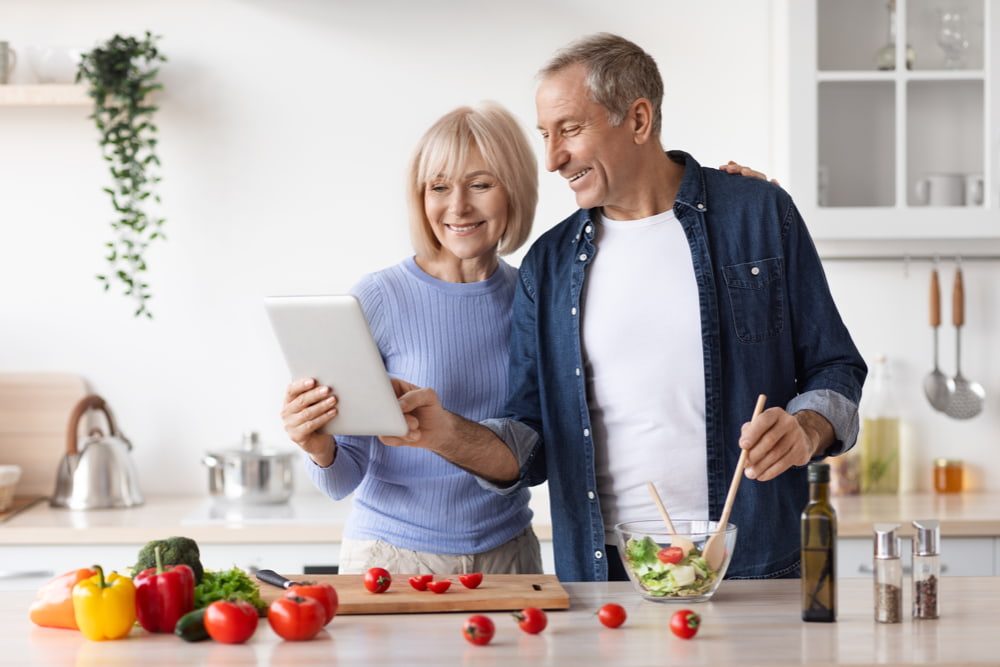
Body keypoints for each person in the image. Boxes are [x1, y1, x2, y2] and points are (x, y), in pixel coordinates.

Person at [381, 33, 867, 582]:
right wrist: (443, 432)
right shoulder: (549, 265)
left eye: (569, 129)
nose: (552, 158)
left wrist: (806, 427)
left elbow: (836, 365)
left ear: (638, 120)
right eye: (545, 135)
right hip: (607, 575)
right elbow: (530, 438)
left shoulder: (757, 216)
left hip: (753, 563)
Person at [280, 102, 544, 575]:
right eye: (438, 187)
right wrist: (317, 447)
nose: (457, 206)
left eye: (480, 184)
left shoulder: (532, 298)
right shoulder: (377, 298)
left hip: (510, 554)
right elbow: (341, 479)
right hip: (392, 557)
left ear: (515, 190)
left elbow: (536, 449)